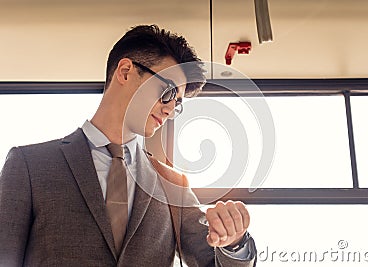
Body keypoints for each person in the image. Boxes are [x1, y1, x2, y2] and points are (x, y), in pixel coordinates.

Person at [0, 25, 256, 266]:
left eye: (177, 103)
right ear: (125, 72)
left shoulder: (171, 185)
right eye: (167, 92)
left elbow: (213, 260)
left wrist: (233, 241)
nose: (169, 109)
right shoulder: (30, 166)